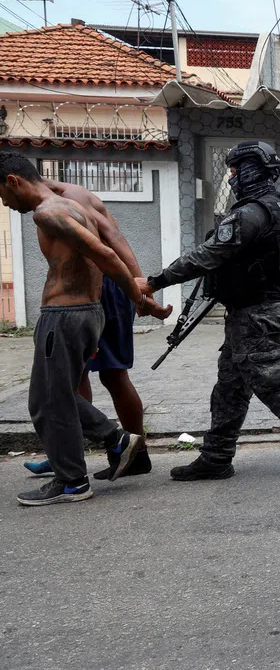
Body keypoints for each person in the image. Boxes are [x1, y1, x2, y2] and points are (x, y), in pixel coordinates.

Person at [136, 141, 280, 480]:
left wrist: (154, 282)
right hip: (256, 310)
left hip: (255, 314)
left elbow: (205, 257)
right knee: (229, 388)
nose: (232, 177)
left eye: (235, 170)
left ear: (251, 171)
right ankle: (217, 457)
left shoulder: (249, 214)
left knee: (272, 385)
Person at [0, 152, 166, 505]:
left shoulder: (49, 212)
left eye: (1, 193)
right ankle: (106, 449)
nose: (3, 201)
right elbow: (109, 243)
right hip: (82, 313)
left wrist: (139, 296)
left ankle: (78, 476)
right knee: (54, 395)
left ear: (13, 182)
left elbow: (105, 254)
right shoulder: (72, 203)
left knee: (50, 399)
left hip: (66, 315)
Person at [22, 180, 156, 480]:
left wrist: (140, 290)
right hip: (97, 291)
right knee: (74, 377)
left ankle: (133, 452)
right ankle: (68, 455)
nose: (6, 202)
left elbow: (113, 243)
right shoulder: (52, 202)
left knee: (111, 374)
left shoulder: (69, 198)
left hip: (104, 289)